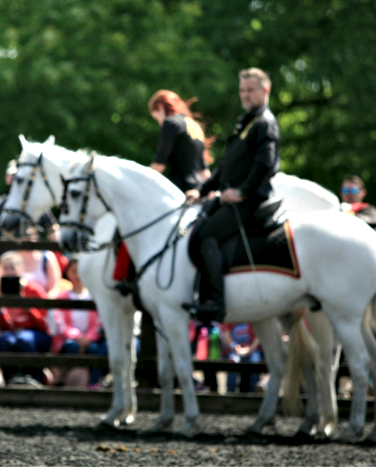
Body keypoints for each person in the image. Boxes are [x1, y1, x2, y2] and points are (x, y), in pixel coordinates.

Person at [184, 68, 281, 324]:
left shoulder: (264, 123)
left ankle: (215, 304)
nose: (245, 94)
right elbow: (225, 167)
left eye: (250, 90)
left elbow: (265, 164)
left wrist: (241, 192)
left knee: (205, 235)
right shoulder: (246, 122)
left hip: (250, 202)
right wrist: (201, 190)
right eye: (242, 90)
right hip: (232, 198)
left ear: (265, 90)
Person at [113, 90, 211, 295]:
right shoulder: (194, 126)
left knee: (130, 223)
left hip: (175, 190)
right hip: (197, 193)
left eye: (155, 116)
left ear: (159, 108)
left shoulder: (170, 124)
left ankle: (127, 278)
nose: (157, 121)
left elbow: (159, 165)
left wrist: (134, 184)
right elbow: (204, 171)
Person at [0, 160, 59, 266]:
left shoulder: (39, 208)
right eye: (14, 176)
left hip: (34, 272)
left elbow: (57, 238)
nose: (17, 180)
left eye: (20, 177)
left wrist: (49, 266)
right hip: (3, 271)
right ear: (7, 178)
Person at [0, 251, 50, 385]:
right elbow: (3, 326)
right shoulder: (0, 293)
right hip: (13, 333)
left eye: (12, 268)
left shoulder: (34, 290)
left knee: (24, 339)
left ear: (21, 269)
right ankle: (10, 380)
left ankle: (35, 379)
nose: (9, 272)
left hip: (35, 333)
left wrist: (27, 308)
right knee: (4, 340)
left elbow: (45, 324)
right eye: (5, 268)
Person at [50, 258, 106, 388]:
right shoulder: (62, 297)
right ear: (68, 273)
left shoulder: (94, 297)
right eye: (74, 271)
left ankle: (93, 382)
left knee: (95, 350)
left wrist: (88, 338)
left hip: (90, 340)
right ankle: (63, 379)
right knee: (71, 347)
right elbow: (60, 322)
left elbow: (99, 322)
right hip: (70, 339)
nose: (78, 275)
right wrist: (78, 337)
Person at [221, 322, 263, 393]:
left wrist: (250, 349)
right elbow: (226, 332)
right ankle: (230, 392)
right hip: (235, 350)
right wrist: (234, 347)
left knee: (256, 361)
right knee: (233, 362)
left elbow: (259, 334)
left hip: (252, 349)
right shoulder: (232, 319)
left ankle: (254, 391)